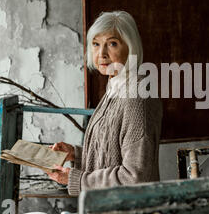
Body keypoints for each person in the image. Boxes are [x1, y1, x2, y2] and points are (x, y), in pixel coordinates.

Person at [44, 11, 163, 196]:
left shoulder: (136, 96)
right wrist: (74, 153)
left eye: (112, 44)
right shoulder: (116, 86)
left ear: (131, 47)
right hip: (107, 209)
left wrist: (76, 179)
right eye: (96, 44)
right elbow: (114, 155)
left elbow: (135, 177)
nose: (102, 54)